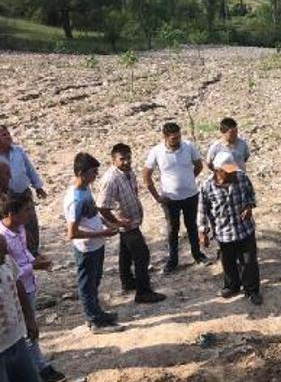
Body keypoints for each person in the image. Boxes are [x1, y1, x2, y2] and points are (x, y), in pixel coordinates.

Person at [0, 195, 65, 382]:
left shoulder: (19, 228)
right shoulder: (3, 237)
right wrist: (34, 265)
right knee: (28, 335)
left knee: (29, 330)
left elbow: (20, 257)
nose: (31, 214)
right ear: (12, 213)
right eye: (26, 210)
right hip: (14, 293)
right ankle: (42, 368)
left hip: (26, 286)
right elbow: (14, 269)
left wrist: (35, 258)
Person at [97, 143, 166, 304]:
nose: (127, 162)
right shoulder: (111, 179)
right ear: (113, 160)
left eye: (128, 158)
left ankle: (128, 282)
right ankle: (143, 292)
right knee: (142, 255)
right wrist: (118, 222)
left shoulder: (127, 173)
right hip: (127, 224)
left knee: (125, 253)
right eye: (122, 159)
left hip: (131, 221)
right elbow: (102, 206)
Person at [65, 153, 123, 333]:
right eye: (93, 172)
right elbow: (72, 233)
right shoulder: (75, 199)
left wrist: (108, 223)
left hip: (96, 244)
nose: (96, 176)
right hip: (86, 248)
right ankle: (94, 321)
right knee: (87, 285)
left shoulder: (85, 189)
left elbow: (92, 213)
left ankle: (97, 313)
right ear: (82, 172)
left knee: (94, 282)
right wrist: (103, 232)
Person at [197, 152, 262, 305]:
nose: (232, 173)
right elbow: (202, 210)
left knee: (249, 262)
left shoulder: (241, 177)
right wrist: (202, 231)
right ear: (218, 170)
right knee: (228, 262)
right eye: (228, 171)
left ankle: (252, 290)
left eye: (233, 170)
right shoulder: (207, 187)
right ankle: (232, 286)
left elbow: (251, 195)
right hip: (224, 233)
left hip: (244, 229)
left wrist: (249, 206)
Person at [144, 122, 209, 274]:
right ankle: (172, 261)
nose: (177, 141)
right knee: (173, 230)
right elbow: (146, 175)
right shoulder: (156, 152)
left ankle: (197, 254)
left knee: (192, 226)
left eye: (179, 137)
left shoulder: (188, 146)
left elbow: (198, 165)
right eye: (174, 138)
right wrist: (157, 197)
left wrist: (188, 180)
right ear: (165, 137)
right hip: (170, 199)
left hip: (191, 196)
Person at [0, 232, 41, 382]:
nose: (5, 255)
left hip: (17, 339)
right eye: (2, 252)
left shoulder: (6, 260)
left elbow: (18, 283)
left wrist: (29, 318)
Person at [0, 125, 47, 256]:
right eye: (3, 135)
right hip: (8, 196)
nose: (8, 136)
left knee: (31, 221)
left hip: (24, 192)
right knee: (13, 224)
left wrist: (38, 186)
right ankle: (18, 252)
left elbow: (29, 168)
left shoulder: (18, 150)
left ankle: (33, 251)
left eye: (8, 133)